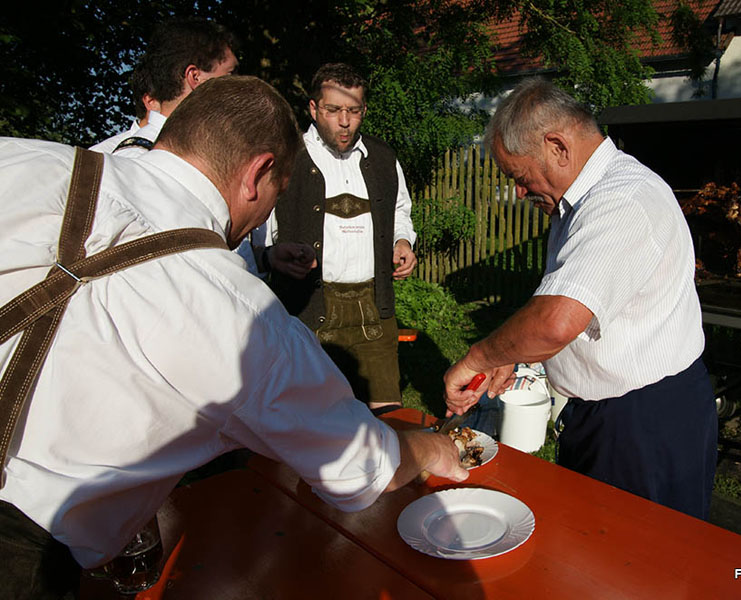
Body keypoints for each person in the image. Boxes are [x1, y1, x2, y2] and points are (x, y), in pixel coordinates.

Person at [0, 76, 466, 599]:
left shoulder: (20, 160)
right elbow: (360, 466)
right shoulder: (242, 316)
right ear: (257, 173)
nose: (265, 215)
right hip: (21, 554)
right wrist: (431, 449)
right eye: (276, 195)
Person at [443, 78, 717, 520]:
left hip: (643, 422)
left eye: (518, 175)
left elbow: (557, 320)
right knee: (593, 551)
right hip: (607, 416)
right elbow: (565, 304)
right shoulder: (579, 202)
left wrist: (478, 357)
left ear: (557, 146)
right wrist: (515, 354)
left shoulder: (621, 201)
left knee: (643, 563)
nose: (518, 191)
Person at [263, 63, 418, 414]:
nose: (344, 122)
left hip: (373, 308)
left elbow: (399, 211)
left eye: (353, 111)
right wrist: (272, 255)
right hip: (307, 310)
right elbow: (262, 227)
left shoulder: (383, 158)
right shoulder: (287, 158)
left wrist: (402, 241)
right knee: (309, 420)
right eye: (333, 110)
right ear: (314, 109)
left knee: (388, 418)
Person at [90, 17, 238, 158]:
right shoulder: (138, 157)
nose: (237, 85)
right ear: (195, 78)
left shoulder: (196, 146)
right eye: (230, 74)